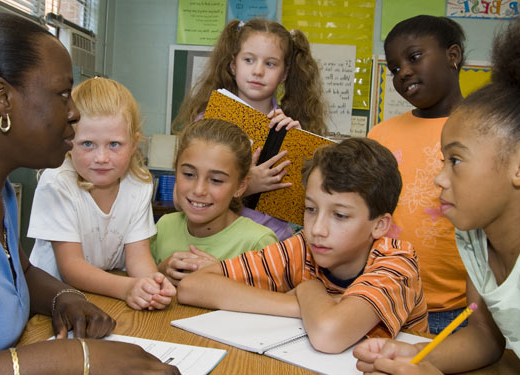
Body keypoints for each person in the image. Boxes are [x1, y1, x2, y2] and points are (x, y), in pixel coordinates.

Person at [0, 12, 179, 374]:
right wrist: (64, 359)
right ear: (1, 97)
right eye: (62, 94)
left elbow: (18, 272)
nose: (74, 113)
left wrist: (65, 297)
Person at [354, 20, 520, 375]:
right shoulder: (472, 236)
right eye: (443, 161)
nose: (440, 178)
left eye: (455, 160)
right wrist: (416, 358)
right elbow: (485, 337)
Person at [178, 138, 429, 353]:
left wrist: (308, 287)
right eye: (311, 209)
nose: (317, 229)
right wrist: (302, 306)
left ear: (380, 225)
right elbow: (192, 286)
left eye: (340, 215)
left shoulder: (396, 262)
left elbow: (329, 335)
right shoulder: (303, 247)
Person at [173, 18, 328, 241]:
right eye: (249, 59)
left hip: (272, 245)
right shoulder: (206, 123)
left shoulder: (293, 126)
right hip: (216, 243)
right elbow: (180, 200)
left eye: (270, 64)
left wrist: (300, 149)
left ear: (285, 73)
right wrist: (245, 186)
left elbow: (310, 205)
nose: (258, 71)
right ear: (233, 65)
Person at [28, 77, 175, 311]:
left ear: (134, 143)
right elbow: (72, 267)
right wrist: (128, 288)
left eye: (114, 144)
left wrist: (151, 284)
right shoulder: (57, 183)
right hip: (53, 300)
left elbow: (138, 258)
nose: (102, 158)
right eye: (88, 144)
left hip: (103, 295)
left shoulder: (138, 184)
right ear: (69, 141)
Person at [367, 15, 467, 334]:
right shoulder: (381, 134)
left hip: (456, 310)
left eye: (414, 57)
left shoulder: (484, 131)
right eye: (395, 68)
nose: (404, 72)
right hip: (383, 301)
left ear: (453, 56)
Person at [151, 118, 278, 285]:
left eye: (216, 180)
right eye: (189, 174)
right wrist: (159, 272)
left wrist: (225, 276)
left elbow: (272, 303)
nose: (198, 190)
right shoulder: (164, 226)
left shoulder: (258, 242)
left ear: (240, 186)